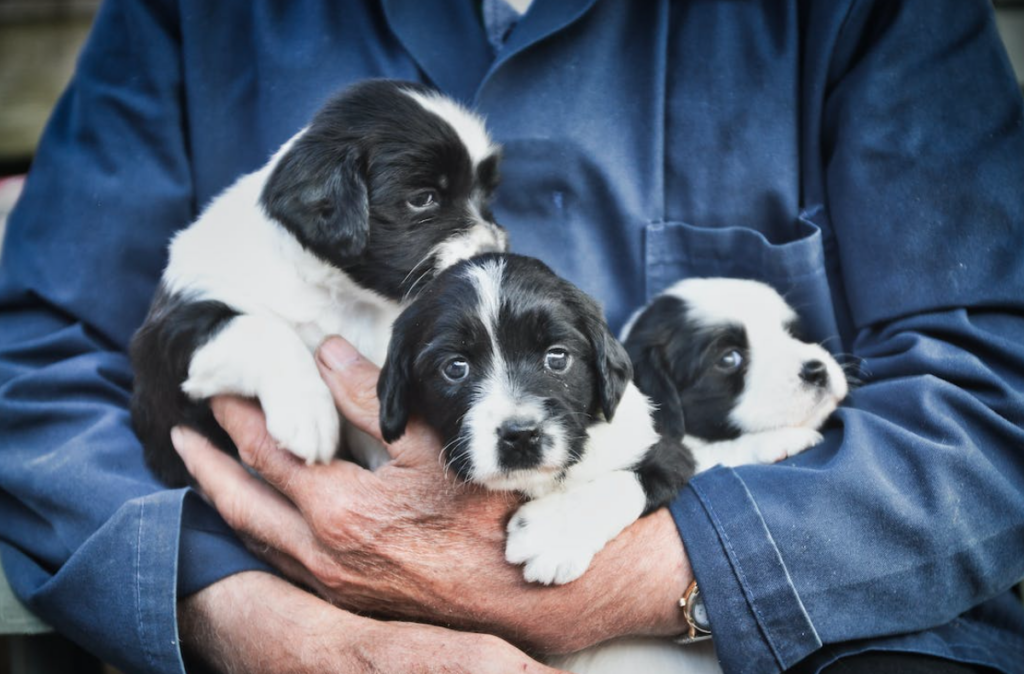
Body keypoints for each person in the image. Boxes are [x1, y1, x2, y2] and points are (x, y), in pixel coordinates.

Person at [1, 1, 1023, 672]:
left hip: (806, 643)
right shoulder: (192, 20)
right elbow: (39, 357)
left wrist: (643, 580)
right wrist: (240, 616)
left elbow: (991, 393)